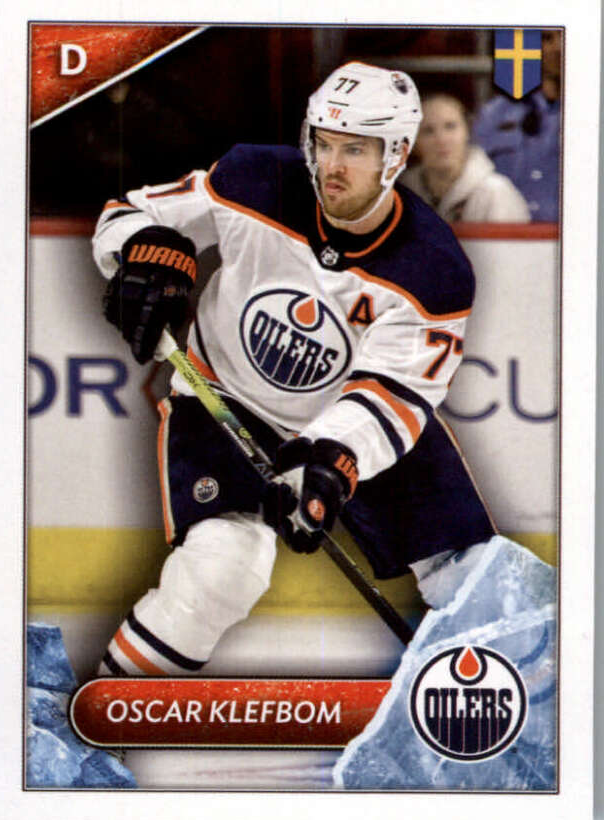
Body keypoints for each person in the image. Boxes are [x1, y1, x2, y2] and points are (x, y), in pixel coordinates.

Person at [91, 61, 498, 679]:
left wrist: (328, 463)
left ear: (396, 154)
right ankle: (107, 711)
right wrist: (146, 256)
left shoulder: (433, 269)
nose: (331, 166)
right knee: (220, 571)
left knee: (474, 577)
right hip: (224, 397)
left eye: (354, 150)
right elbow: (129, 213)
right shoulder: (255, 177)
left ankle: (505, 707)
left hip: (350, 419)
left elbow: (392, 394)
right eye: (323, 144)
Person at [473, 29, 562, 221]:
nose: (558, 47)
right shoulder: (493, 114)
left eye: (563, 37)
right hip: (508, 233)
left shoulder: (597, 113)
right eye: (547, 38)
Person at [401, 93, 530, 223]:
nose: (441, 139)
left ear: (467, 131)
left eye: (450, 126)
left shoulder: (495, 193)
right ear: (413, 141)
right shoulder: (403, 191)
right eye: (428, 130)